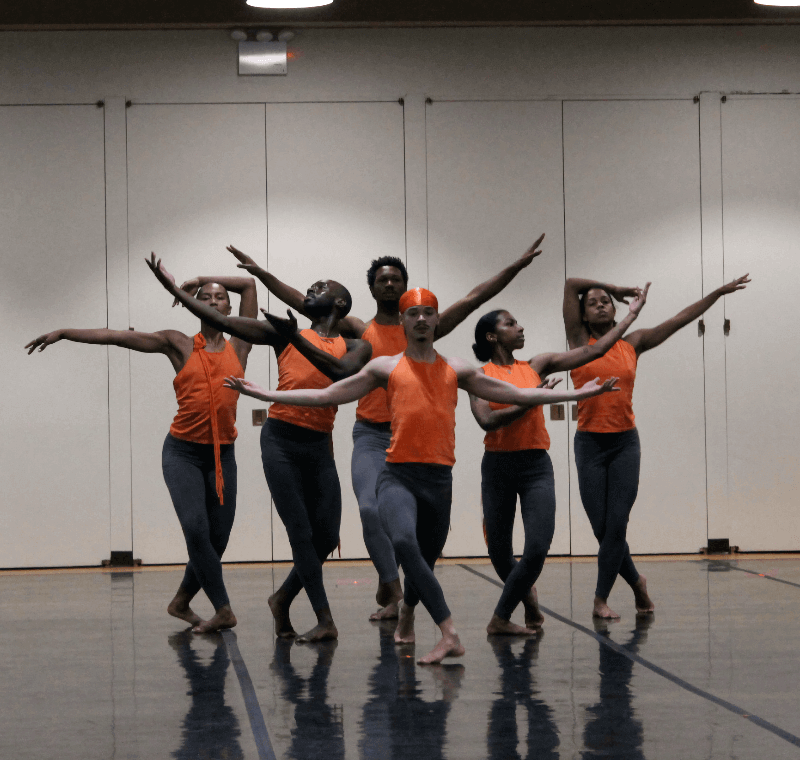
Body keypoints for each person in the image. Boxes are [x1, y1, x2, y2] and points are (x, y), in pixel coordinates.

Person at [223, 287, 620, 663]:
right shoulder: (385, 366)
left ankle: (409, 610)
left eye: (428, 313)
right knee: (404, 543)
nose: (421, 320)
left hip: (438, 482)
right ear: (403, 321)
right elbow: (328, 394)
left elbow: (521, 394)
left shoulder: (456, 369)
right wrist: (268, 395)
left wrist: (579, 394)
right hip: (397, 476)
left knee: (424, 562)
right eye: (413, 314)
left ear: (435, 321)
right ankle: (449, 633)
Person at [227, 236, 548, 621]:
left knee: (419, 533)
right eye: (383, 279)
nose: (390, 284)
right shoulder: (360, 329)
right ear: (373, 288)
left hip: (414, 440)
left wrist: (515, 267)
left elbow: (475, 297)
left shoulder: (425, 323)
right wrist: (263, 274)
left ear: (406, 289)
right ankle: (390, 585)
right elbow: (304, 302)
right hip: (370, 434)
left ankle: (406, 600)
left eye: (397, 279)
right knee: (368, 507)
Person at [147, 254, 371, 643]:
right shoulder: (282, 333)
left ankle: (283, 598)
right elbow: (223, 320)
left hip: (319, 444)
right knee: (301, 533)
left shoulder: (355, 346)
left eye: (322, 287)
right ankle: (324, 618)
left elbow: (339, 375)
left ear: (340, 304)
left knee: (326, 536)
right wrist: (173, 289)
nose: (312, 288)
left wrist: (295, 334)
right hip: (281, 441)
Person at [26, 267, 258, 633]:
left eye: (219, 298)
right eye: (206, 298)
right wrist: (65, 333)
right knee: (197, 531)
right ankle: (223, 609)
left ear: (229, 307)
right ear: (193, 307)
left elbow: (247, 283)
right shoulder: (178, 343)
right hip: (182, 453)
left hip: (222, 454)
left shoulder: (241, 344)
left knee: (218, 539)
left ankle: (181, 602)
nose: (213, 302)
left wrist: (199, 277)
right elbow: (118, 337)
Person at [563, 273, 750, 618]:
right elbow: (572, 282)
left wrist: (717, 293)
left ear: (615, 311)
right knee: (602, 530)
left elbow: (680, 319)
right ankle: (637, 583)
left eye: (606, 300)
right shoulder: (578, 342)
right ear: (583, 315)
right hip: (589, 444)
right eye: (593, 302)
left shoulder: (633, 343)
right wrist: (616, 287)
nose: (601, 304)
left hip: (624, 444)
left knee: (616, 525)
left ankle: (600, 599)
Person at [470, 285, 648, 635]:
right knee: (500, 553)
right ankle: (528, 600)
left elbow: (597, 348)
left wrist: (631, 315)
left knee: (537, 547)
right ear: (492, 336)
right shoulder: (478, 376)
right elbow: (486, 421)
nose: (520, 327)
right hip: (498, 467)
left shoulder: (538, 364)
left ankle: (500, 618)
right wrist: (531, 401)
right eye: (511, 323)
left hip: (536, 466)